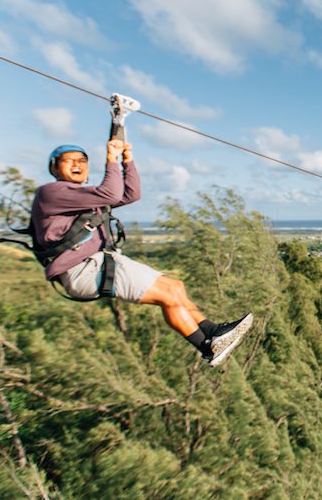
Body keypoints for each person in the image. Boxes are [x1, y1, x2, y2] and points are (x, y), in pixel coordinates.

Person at [31, 139, 253, 366]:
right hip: (84, 269)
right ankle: (207, 347)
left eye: (82, 161)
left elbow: (130, 194)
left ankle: (212, 331)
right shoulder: (51, 192)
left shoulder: (82, 198)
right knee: (167, 297)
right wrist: (112, 159)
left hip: (99, 263)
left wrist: (127, 160)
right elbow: (110, 193)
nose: (77, 165)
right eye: (69, 161)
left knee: (175, 287)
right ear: (54, 167)